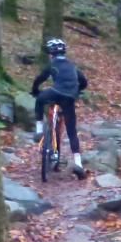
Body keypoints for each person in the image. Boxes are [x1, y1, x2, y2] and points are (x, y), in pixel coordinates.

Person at [31, 38, 89, 179]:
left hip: (55, 93)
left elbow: (39, 79)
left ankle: (39, 130)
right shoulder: (72, 66)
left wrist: (35, 91)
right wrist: (77, 91)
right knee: (71, 131)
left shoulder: (52, 65)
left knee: (39, 100)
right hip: (70, 97)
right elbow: (84, 82)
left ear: (51, 54)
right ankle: (78, 164)